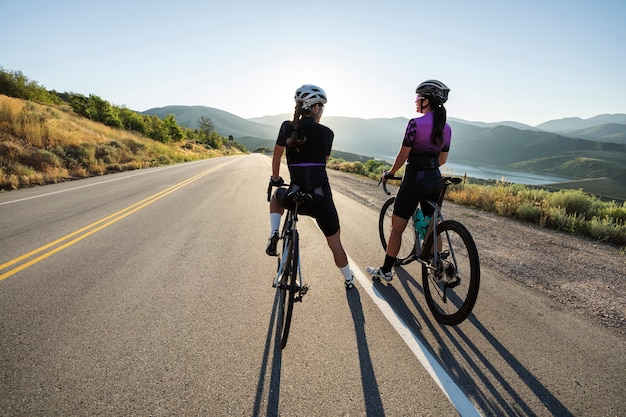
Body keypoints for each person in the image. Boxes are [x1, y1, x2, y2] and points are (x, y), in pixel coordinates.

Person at [266, 84, 354, 289]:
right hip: (321, 199)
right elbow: (323, 163)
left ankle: (273, 233)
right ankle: (349, 279)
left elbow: (277, 155)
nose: (322, 111)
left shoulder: (286, 127)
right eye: (321, 107)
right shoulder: (327, 133)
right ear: (314, 108)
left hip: (294, 194)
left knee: (276, 196)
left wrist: (276, 178)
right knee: (335, 242)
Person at [367, 80, 451, 282]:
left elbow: (403, 155)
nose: (415, 102)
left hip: (414, 180)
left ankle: (386, 270)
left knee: (396, 229)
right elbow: (442, 159)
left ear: (426, 101)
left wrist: (390, 172)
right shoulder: (446, 128)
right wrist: (429, 171)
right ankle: (436, 263)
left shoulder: (415, 124)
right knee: (432, 224)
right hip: (435, 181)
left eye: (417, 98)